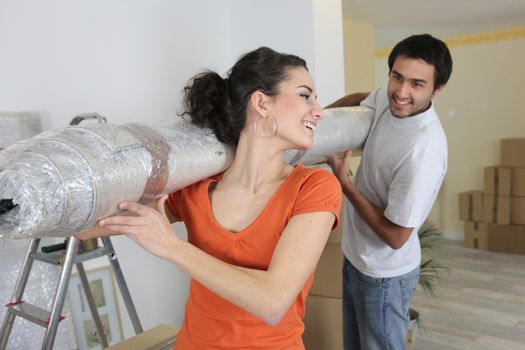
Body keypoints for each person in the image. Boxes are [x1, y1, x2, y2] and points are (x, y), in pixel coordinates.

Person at [79, 47, 342, 349]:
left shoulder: (313, 187)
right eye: (305, 95)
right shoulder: (196, 187)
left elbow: (273, 301)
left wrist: (171, 247)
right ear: (261, 102)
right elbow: (90, 225)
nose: (319, 110)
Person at [327, 34, 453, 350]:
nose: (401, 92)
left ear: (437, 89)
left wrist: (346, 184)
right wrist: (319, 118)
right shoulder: (391, 98)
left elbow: (396, 237)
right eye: (397, 77)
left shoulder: (422, 152)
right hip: (357, 258)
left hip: (384, 276)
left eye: (416, 84)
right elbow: (365, 97)